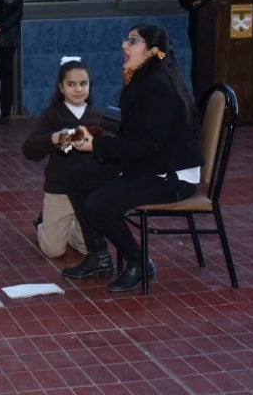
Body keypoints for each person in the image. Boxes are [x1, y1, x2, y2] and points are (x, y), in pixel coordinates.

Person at [61, 24, 203, 292]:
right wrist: (99, 139)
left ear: (151, 51)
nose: (124, 46)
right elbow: (138, 135)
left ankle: (139, 262)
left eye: (133, 41)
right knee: (75, 177)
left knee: (98, 204)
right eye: (127, 40)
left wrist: (97, 146)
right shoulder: (144, 78)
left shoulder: (157, 85)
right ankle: (99, 256)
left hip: (171, 175)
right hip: (150, 164)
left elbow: (146, 144)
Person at [22, 57, 102, 258]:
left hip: (88, 191)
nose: (78, 89)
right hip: (59, 190)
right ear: (61, 87)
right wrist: (54, 138)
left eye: (83, 84)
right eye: (71, 84)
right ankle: (43, 224)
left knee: (88, 248)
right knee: (53, 251)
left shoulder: (98, 117)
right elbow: (30, 150)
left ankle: (74, 227)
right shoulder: (52, 115)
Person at [179, 0, 237, 97]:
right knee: (201, 62)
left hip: (222, 24)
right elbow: (183, 0)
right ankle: (201, 98)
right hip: (200, 25)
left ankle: (222, 97)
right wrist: (194, 3)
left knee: (221, 60)